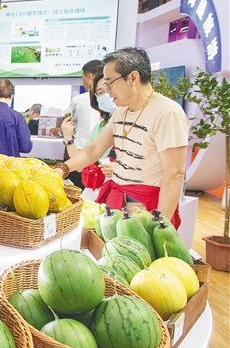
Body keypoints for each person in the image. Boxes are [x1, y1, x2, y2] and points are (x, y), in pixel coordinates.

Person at [53, 47, 188, 228]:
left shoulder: (167, 112)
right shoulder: (121, 112)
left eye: (110, 83)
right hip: (117, 201)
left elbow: (174, 174)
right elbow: (94, 149)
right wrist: (62, 169)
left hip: (145, 208)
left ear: (133, 77)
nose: (107, 90)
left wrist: (160, 225)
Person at [61, 73, 116, 198]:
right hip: (97, 188)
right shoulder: (100, 127)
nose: (107, 94)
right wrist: (68, 137)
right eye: (100, 92)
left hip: (123, 190)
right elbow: (82, 162)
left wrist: (120, 169)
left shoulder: (134, 122)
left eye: (109, 88)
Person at [63, 59, 104, 188]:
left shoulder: (79, 100)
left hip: (80, 151)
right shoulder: (111, 104)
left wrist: (67, 137)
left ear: (90, 76)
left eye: (82, 78)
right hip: (98, 155)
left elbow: (70, 123)